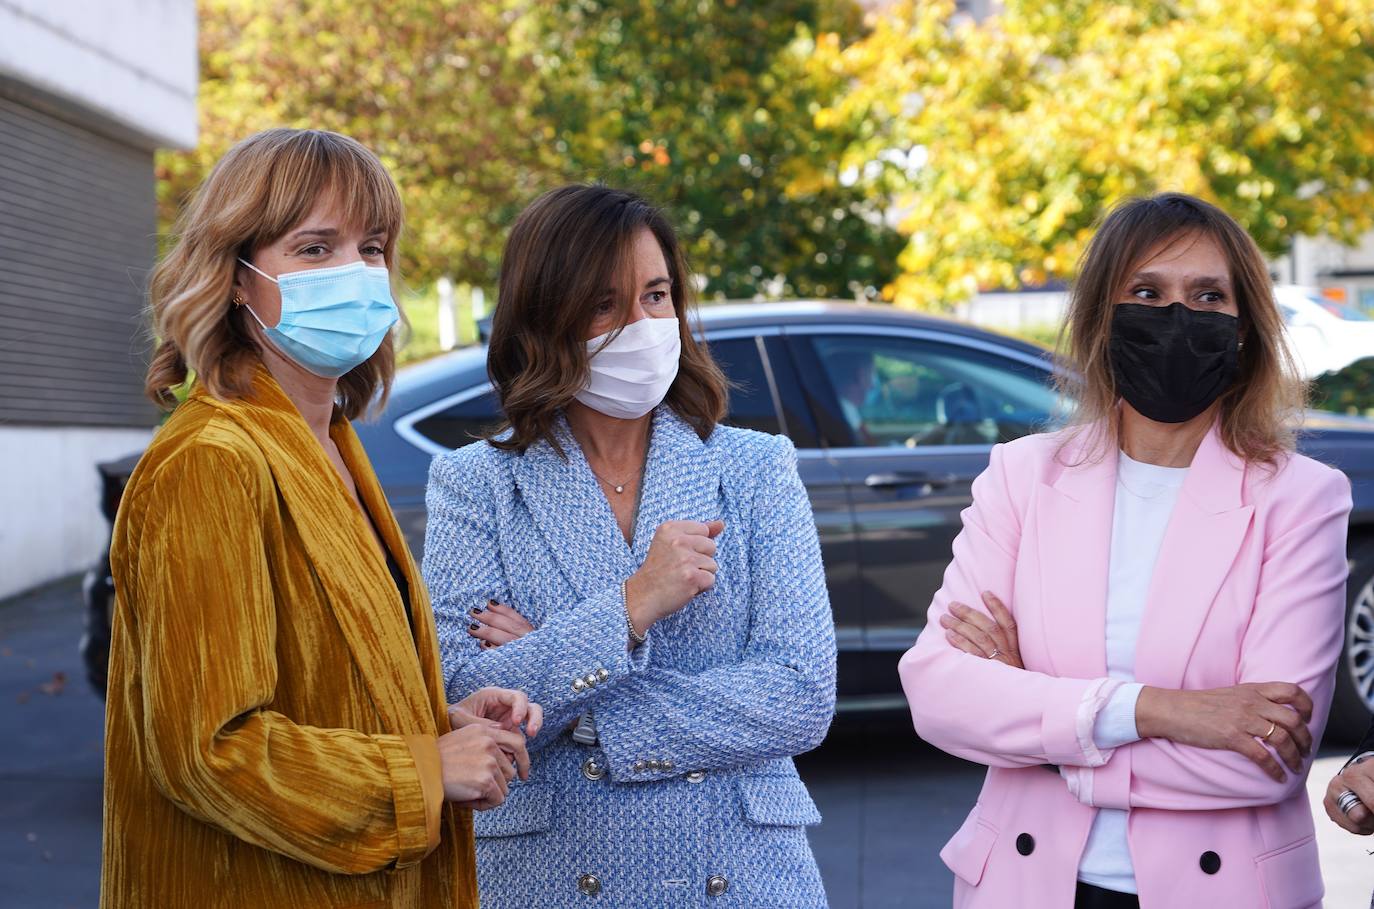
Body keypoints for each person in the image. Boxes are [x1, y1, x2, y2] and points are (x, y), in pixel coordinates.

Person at [102, 128, 539, 909]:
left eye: (371, 247)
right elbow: (209, 749)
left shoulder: (330, 440)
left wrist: (436, 724)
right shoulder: (212, 459)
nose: (355, 272)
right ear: (236, 278)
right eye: (313, 248)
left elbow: (321, 679)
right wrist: (423, 769)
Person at [898, 193, 1351, 908]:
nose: (1177, 317)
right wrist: (1162, 710)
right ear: (1101, 319)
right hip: (1025, 882)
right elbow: (937, 693)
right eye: (1146, 293)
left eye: (1208, 296)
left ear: (1244, 331)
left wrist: (1041, 726)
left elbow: (1267, 753)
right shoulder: (1023, 475)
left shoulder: (1301, 498)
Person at [422, 184, 836, 908]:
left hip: (740, 874)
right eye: (605, 304)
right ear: (545, 317)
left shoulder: (754, 466)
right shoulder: (475, 483)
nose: (642, 325)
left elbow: (801, 694)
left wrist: (572, 686)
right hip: (552, 875)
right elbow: (461, 697)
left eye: (656, 295)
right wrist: (633, 603)